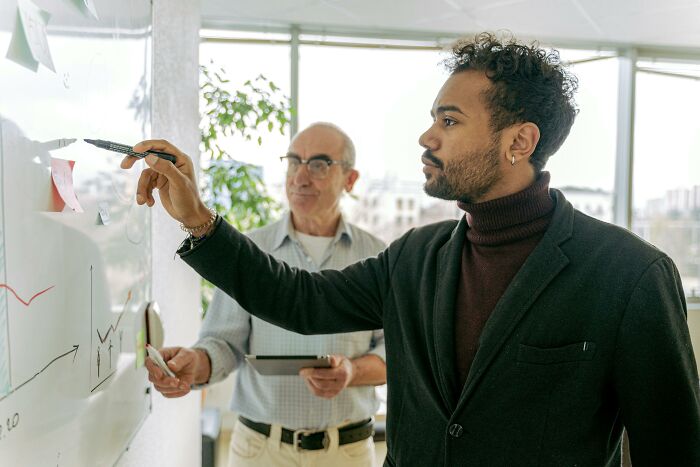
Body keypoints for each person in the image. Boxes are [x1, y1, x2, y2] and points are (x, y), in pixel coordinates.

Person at [124, 33, 700, 466]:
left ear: (519, 142)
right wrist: (197, 219)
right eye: (432, 119)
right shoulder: (416, 257)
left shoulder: (629, 275)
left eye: (449, 121)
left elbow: (671, 451)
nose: (427, 137)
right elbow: (297, 300)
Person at [144, 123, 387, 466]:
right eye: (293, 162)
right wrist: (195, 365)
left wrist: (352, 371)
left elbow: (397, 348)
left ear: (350, 179)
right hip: (260, 451)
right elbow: (224, 342)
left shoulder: (378, 257)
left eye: (318, 164)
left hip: (346, 452)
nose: (300, 177)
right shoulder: (250, 253)